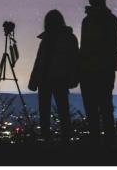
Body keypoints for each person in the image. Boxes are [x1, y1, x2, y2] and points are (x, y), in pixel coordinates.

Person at [79, 0, 117, 147]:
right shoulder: (89, 20)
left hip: (100, 72)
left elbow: (116, 48)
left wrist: (93, 58)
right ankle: (100, 146)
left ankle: (103, 147)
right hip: (95, 72)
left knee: (102, 109)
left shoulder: (107, 20)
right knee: (98, 110)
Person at [28, 9, 79, 142]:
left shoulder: (60, 39)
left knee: (58, 111)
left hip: (57, 79)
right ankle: (55, 139)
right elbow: (39, 60)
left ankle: (60, 139)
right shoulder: (63, 38)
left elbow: (74, 60)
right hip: (50, 79)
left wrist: (33, 80)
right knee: (56, 111)